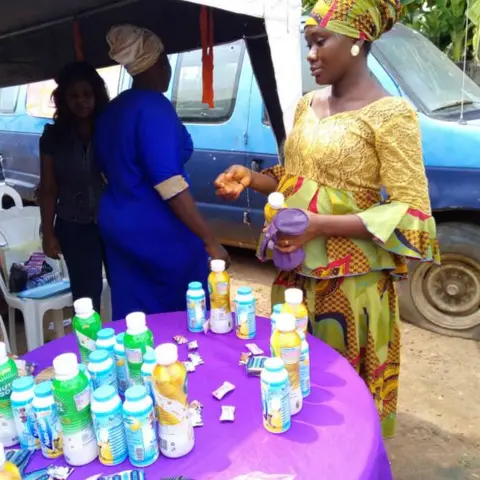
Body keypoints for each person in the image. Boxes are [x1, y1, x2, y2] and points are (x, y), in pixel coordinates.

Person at [215, 0, 440, 437]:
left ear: (358, 42)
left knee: (342, 397)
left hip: (350, 284)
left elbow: (412, 210)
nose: (311, 54)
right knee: (293, 379)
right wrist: (254, 180)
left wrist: (320, 226)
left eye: (321, 42)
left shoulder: (390, 116)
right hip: (295, 272)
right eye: (308, 43)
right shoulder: (305, 106)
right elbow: (297, 177)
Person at [95, 25, 229, 321]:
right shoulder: (154, 106)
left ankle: (136, 362)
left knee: (133, 310)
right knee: (184, 308)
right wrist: (210, 240)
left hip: (117, 221)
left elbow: (104, 167)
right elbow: (168, 182)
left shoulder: (113, 109)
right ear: (158, 62)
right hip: (155, 227)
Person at [39, 62, 109, 312]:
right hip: (74, 227)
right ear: (63, 100)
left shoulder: (110, 128)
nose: (81, 102)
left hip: (112, 221)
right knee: (86, 299)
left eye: (87, 95)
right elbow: (48, 187)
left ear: (96, 95)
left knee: (124, 287)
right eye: (74, 96)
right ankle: (91, 350)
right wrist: (48, 233)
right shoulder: (53, 137)